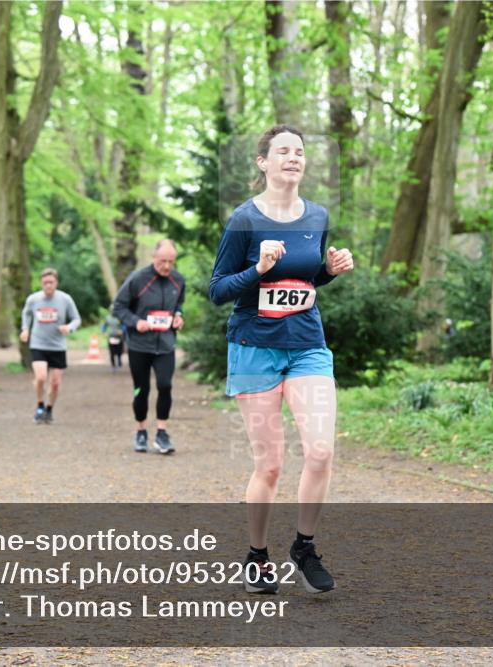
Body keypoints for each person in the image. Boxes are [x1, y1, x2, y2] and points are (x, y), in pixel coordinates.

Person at [209, 125, 354, 595]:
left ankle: (304, 546)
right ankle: (256, 555)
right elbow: (217, 290)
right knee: (269, 465)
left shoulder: (317, 215)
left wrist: (328, 272)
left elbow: (307, 281)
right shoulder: (244, 221)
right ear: (263, 163)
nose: (293, 158)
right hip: (254, 349)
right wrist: (258, 270)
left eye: (299, 152)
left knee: (321, 451)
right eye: (283, 151)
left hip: (308, 346)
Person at [112, 240, 186, 454]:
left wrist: (178, 317)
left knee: (165, 385)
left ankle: (162, 433)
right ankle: (141, 430)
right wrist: (136, 322)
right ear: (154, 258)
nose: (166, 266)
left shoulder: (178, 280)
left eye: (171, 262)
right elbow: (118, 306)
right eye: (163, 261)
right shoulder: (138, 278)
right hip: (139, 345)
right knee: (141, 390)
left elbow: (178, 304)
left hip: (165, 344)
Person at [20, 268, 82, 424]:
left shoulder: (65, 299)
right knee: (40, 377)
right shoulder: (33, 299)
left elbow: (76, 319)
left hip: (57, 345)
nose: (48, 285)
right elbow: (26, 314)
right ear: (41, 283)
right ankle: (40, 404)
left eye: (51, 282)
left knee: (55, 383)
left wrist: (69, 328)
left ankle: (49, 409)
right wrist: (25, 329)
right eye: (45, 282)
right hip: (38, 344)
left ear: (56, 283)